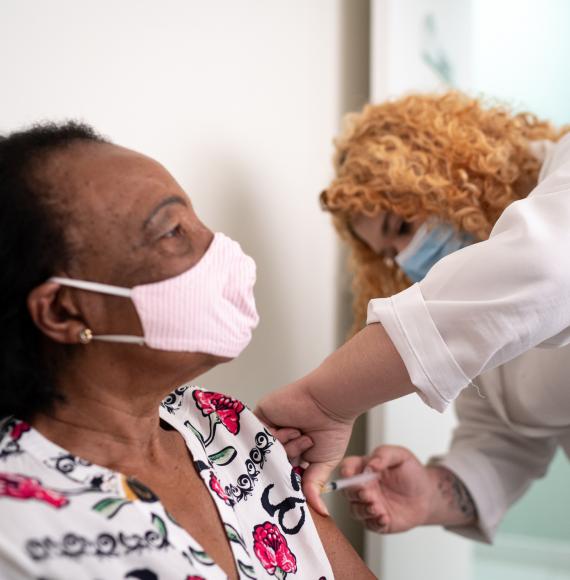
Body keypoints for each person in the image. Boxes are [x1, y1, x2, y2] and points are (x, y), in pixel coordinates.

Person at [0, 122, 373, 579]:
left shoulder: (222, 427)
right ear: (64, 312)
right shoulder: (17, 528)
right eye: (173, 231)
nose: (219, 250)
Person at [255, 91, 570, 525]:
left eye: (402, 226)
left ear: (456, 170)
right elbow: (504, 441)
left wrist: (325, 400)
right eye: (388, 254)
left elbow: (549, 268)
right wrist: (428, 495)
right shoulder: (475, 303)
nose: (404, 259)